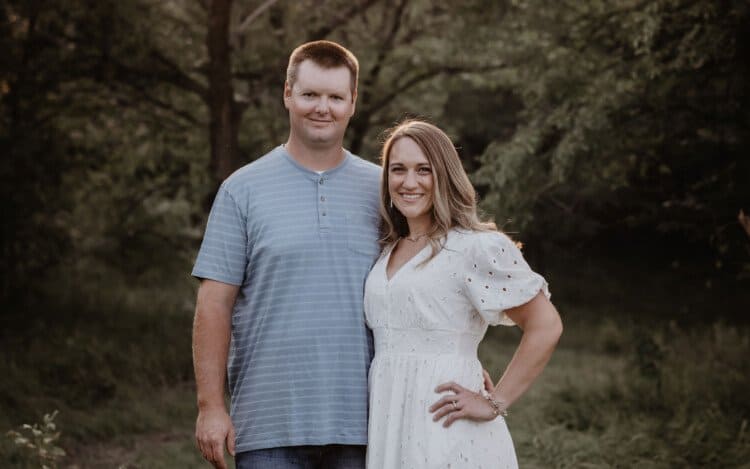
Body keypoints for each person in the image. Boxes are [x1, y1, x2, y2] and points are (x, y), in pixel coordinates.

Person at [191, 40, 381, 469]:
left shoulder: (384, 189)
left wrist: (457, 360)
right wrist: (210, 406)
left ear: (352, 103)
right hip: (267, 426)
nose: (322, 107)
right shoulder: (242, 190)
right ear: (287, 95)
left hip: (366, 424)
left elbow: (423, 280)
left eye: (335, 97)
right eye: (310, 94)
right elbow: (214, 303)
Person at [364, 119, 563, 468]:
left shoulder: (475, 247)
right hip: (390, 419)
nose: (409, 182)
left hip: (446, 425)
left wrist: (495, 401)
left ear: (444, 174)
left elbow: (546, 325)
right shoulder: (387, 249)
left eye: (423, 170)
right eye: (398, 170)